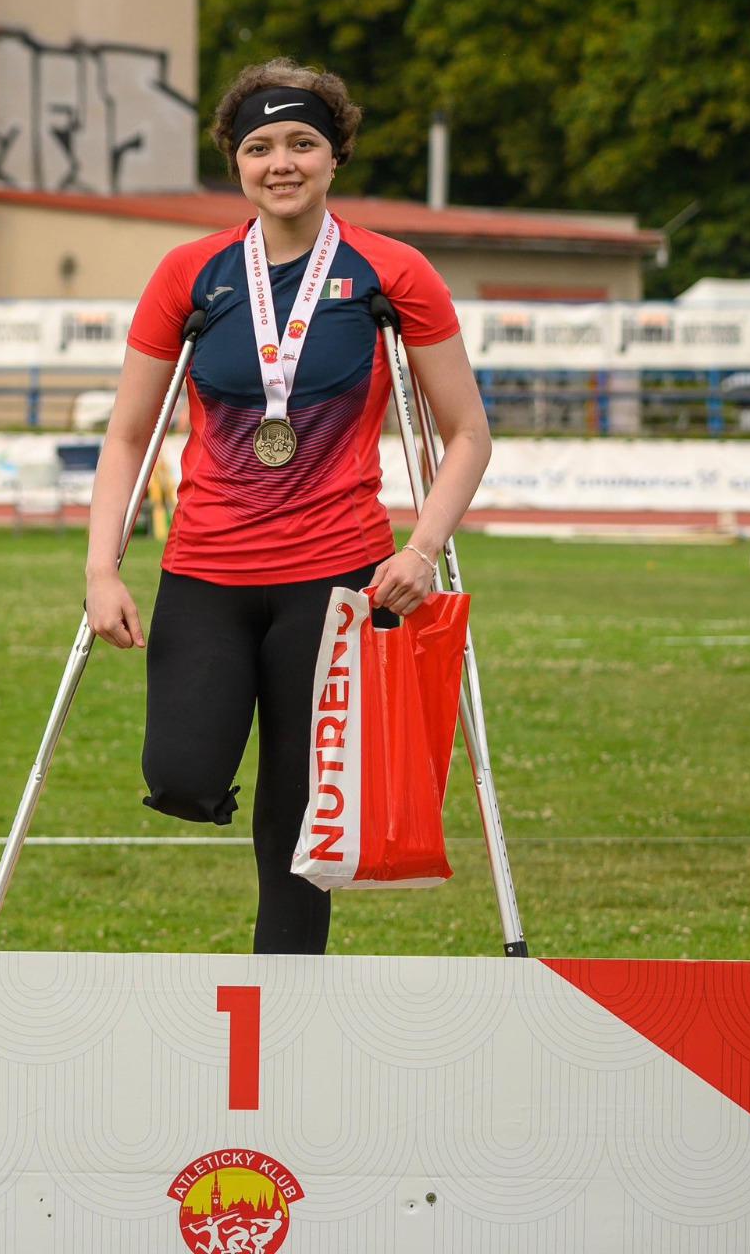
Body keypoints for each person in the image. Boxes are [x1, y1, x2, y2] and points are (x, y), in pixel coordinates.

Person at [85, 58, 491, 955]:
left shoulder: (392, 272)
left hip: (339, 579)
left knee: (301, 808)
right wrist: (100, 569)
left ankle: (286, 988)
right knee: (183, 774)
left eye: (301, 143)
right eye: (260, 145)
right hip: (205, 572)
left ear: (333, 156)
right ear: (235, 161)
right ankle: (223, 789)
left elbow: (466, 433)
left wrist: (420, 549)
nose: (281, 163)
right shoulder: (190, 274)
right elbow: (126, 436)